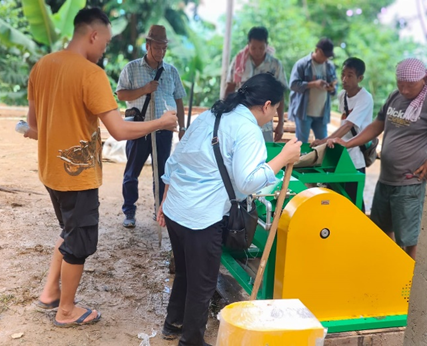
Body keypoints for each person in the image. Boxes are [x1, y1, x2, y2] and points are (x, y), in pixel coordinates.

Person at [25, 8, 177, 327]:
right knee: (79, 243)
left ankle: (50, 292)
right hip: (77, 176)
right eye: (105, 43)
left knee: (68, 232)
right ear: (93, 35)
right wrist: (160, 122)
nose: (105, 50)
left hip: (50, 171)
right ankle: (66, 310)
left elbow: (33, 126)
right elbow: (119, 131)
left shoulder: (42, 66)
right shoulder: (90, 74)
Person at [157, 73, 301, 346]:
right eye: (276, 111)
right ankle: (191, 341)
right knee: (203, 283)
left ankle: (173, 323)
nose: (273, 117)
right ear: (267, 105)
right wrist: (283, 158)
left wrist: (165, 201)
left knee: (186, 272)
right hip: (201, 216)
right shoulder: (247, 129)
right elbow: (247, 182)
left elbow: (175, 159)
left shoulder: (213, 114)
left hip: (177, 208)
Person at [328, 58, 427, 260]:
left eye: (410, 86)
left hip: (409, 180)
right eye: (401, 84)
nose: (405, 90)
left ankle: (408, 280)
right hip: (386, 178)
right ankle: (388, 266)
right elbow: (376, 125)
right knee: (381, 228)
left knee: (406, 238)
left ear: (423, 79)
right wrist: (348, 143)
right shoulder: (394, 97)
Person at [116, 25, 186, 228]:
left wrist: (182, 128)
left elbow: (179, 100)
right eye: (157, 48)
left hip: (163, 131)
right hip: (139, 128)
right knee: (132, 173)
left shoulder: (171, 71)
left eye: (164, 48)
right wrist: (145, 89)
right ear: (148, 46)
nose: (161, 52)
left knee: (162, 173)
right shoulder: (132, 68)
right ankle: (129, 211)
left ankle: (160, 209)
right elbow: (121, 94)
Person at [311, 57, 373, 211]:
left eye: (350, 75)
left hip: (355, 155)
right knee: (336, 197)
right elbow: (343, 122)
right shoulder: (342, 95)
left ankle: (358, 231)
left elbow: (348, 125)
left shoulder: (365, 98)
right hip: (340, 153)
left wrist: (324, 140)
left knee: (354, 200)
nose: (344, 79)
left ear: (360, 78)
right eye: (343, 74)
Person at [225, 26, 288, 142]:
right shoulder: (239, 62)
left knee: (265, 153)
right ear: (248, 45)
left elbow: (280, 95)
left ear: (267, 45)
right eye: (253, 48)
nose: (257, 52)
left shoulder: (275, 65)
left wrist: (280, 123)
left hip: (265, 123)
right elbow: (230, 88)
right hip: (241, 119)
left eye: (261, 48)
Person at [289, 37, 338, 143]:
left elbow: (335, 87)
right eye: (324, 55)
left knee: (323, 144)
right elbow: (293, 85)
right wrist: (313, 84)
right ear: (317, 50)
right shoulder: (302, 64)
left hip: (322, 113)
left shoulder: (330, 66)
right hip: (304, 112)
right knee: (301, 144)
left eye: (328, 57)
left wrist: (332, 88)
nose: (325, 59)